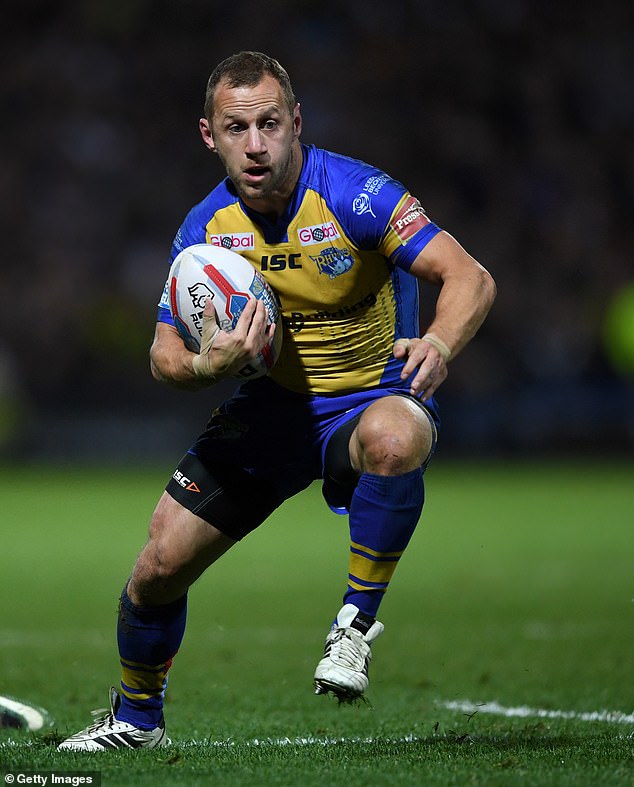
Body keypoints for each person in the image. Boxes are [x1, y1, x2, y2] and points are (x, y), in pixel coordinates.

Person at [59, 51, 496, 751]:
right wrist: (211, 362)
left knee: (395, 436)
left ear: (297, 122)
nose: (255, 144)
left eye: (269, 123)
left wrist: (438, 346)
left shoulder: (357, 195)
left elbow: (469, 275)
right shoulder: (206, 230)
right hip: (274, 409)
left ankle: (353, 627)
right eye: (237, 128)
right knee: (159, 564)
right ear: (209, 134)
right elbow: (162, 355)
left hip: (367, 396)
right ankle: (136, 720)